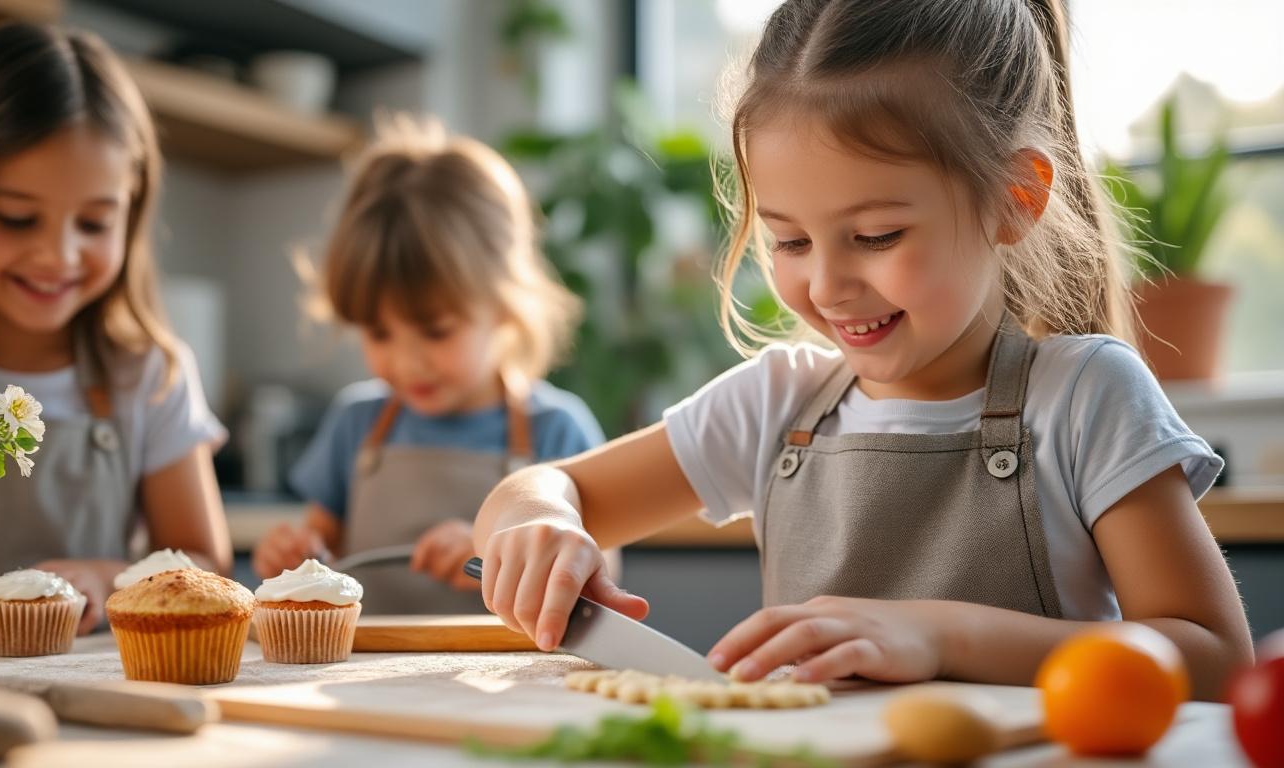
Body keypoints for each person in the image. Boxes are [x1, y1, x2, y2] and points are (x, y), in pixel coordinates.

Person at [471, 0, 1253, 700]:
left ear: (1015, 200)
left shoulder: (1086, 394)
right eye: (790, 240)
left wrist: (940, 636)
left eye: (876, 236)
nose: (829, 284)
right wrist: (536, 525)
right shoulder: (778, 401)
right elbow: (541, 486)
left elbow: (1214, 659)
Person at [0, 23, 231, 632]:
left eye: (95, 224)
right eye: (17, 219)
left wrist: (112, 576)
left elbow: (207, 562)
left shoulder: (148, 374)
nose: (59, 256)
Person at [253, 116, 606, 614]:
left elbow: (597, 583)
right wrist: (293, 560)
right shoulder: (357, 423)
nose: (406, 362)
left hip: (504, 686)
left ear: (504, 303)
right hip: (362, 679)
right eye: (378, 333)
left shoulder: (558, 432)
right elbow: (318, 554)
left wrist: (497, 555)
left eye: (436, 331)